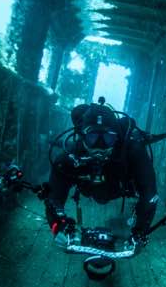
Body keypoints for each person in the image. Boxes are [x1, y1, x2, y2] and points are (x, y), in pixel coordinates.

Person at [44, 100, 159, 249]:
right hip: (93, 187)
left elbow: (149, 194)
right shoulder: (70, 157)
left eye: (108, 138)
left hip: (118, 187)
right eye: (92, 137)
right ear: (82, 136)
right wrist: (58, 226)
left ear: (116, 138)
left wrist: (139, 232)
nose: (100, 146)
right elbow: (54, 197)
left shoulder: (132, 152)